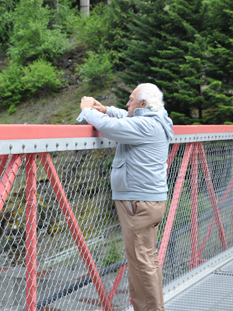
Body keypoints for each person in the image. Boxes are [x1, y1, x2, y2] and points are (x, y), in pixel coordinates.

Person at [77, 83, 173, 311]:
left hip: (137, 203)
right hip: (148, 201)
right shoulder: (157, 119)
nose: (126, 103)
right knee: (146, 260)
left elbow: (110, 127)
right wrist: (106, 108)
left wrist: (88, 109)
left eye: (130, 99)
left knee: (141, 263)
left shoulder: (145, 125)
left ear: (142, 104)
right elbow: (125, 117)